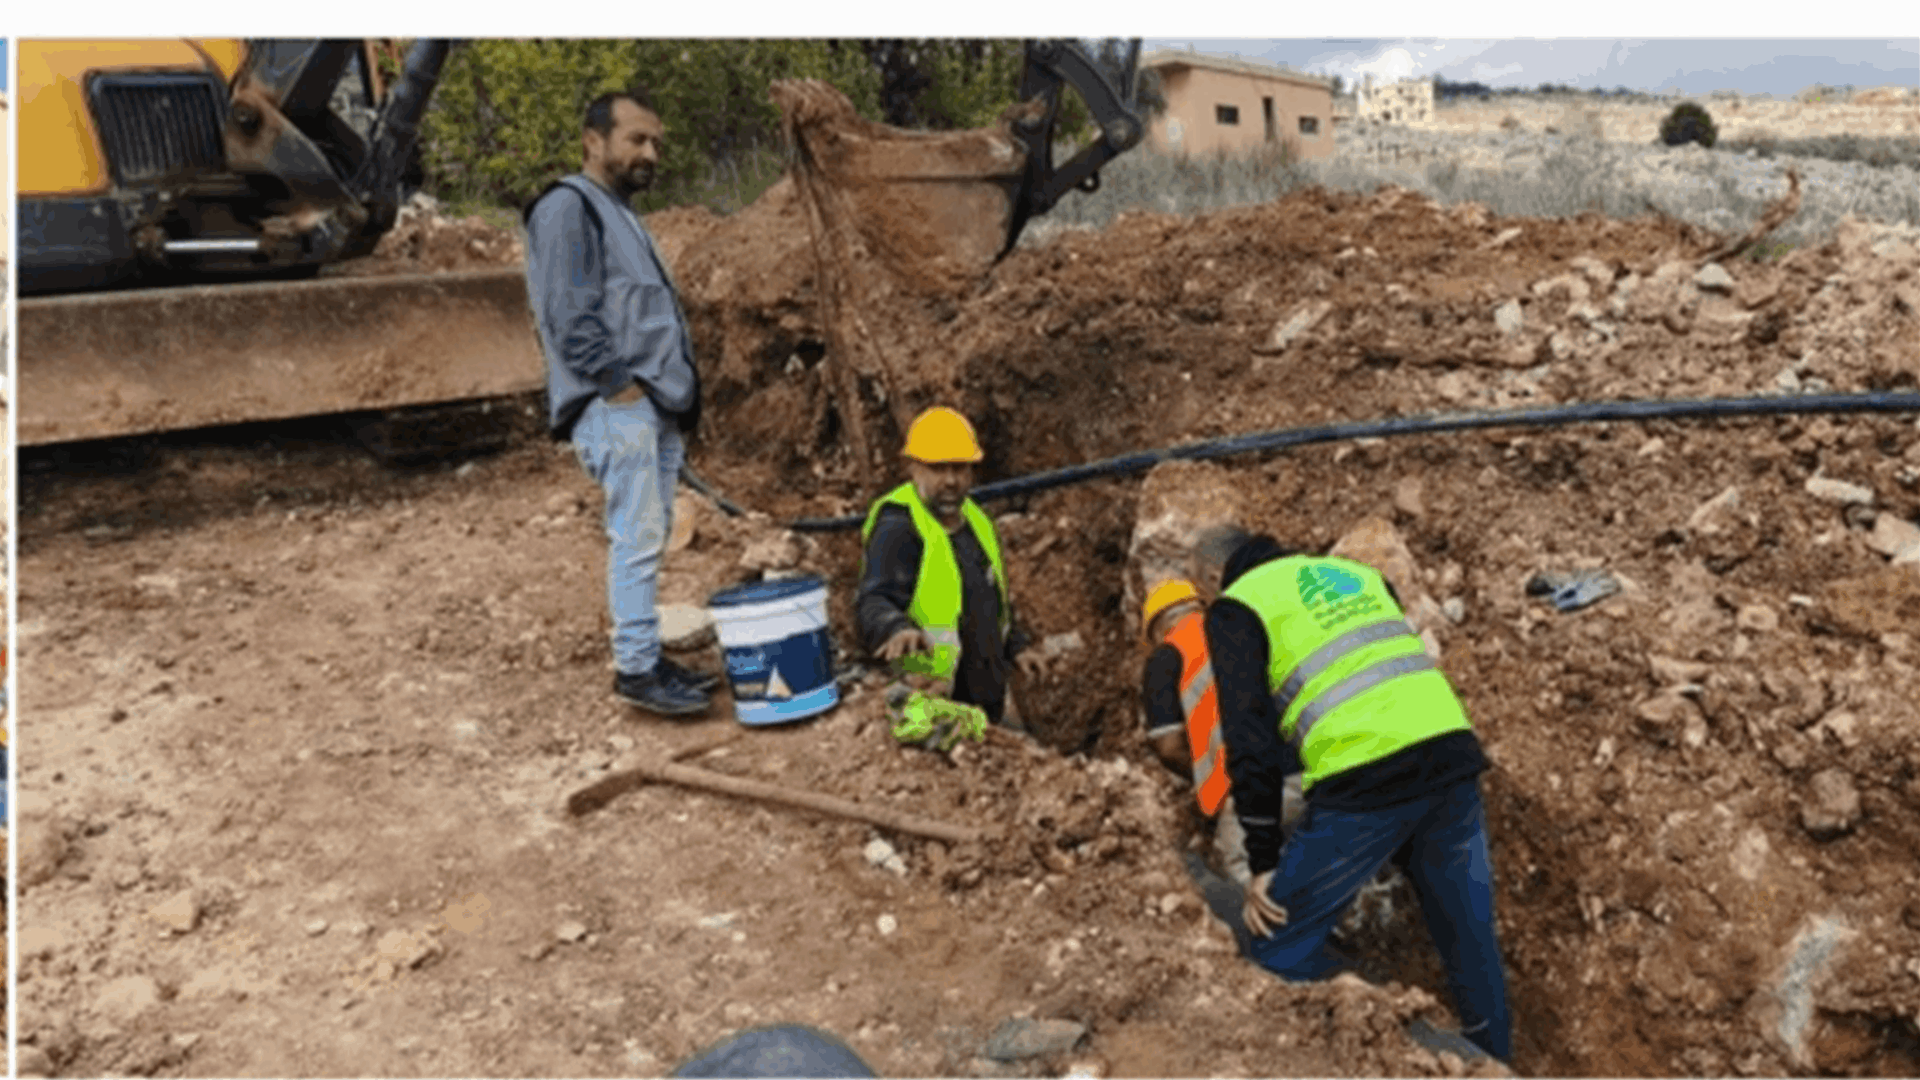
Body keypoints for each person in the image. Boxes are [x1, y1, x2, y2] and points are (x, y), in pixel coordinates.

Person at [1195, 524, 1512, 1064]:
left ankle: (1382, 1036)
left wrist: (1263, 860)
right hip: (1450, 754)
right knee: (1470, 941)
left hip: (1366, 776)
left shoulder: (1236, 607)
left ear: (1211, 578)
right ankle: (1492, 1063)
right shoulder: (1358, 576)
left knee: (1276, 946)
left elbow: (1248, 739)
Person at [523, 89, 719, 717]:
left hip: (648, 406)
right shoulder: (567, 208)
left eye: (655, 142)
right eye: (636, 139)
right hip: (619, 406)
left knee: (650, 534)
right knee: (636, 536)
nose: (650, 152)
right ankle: (636, 669)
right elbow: (567, 314)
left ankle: (647, 654)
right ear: (593, 141)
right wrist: (620, 387)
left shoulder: (618, 212)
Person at [857, 407, 1044, 726]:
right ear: (913, 468)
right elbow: (872, 599)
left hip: (988, 698)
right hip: (938, 707)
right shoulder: (899, 527)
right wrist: (895, 627)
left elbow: (990, 600)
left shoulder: (978, 522)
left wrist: (1016, 646)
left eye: (959, 468)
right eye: (937, 469)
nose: (951, 481)